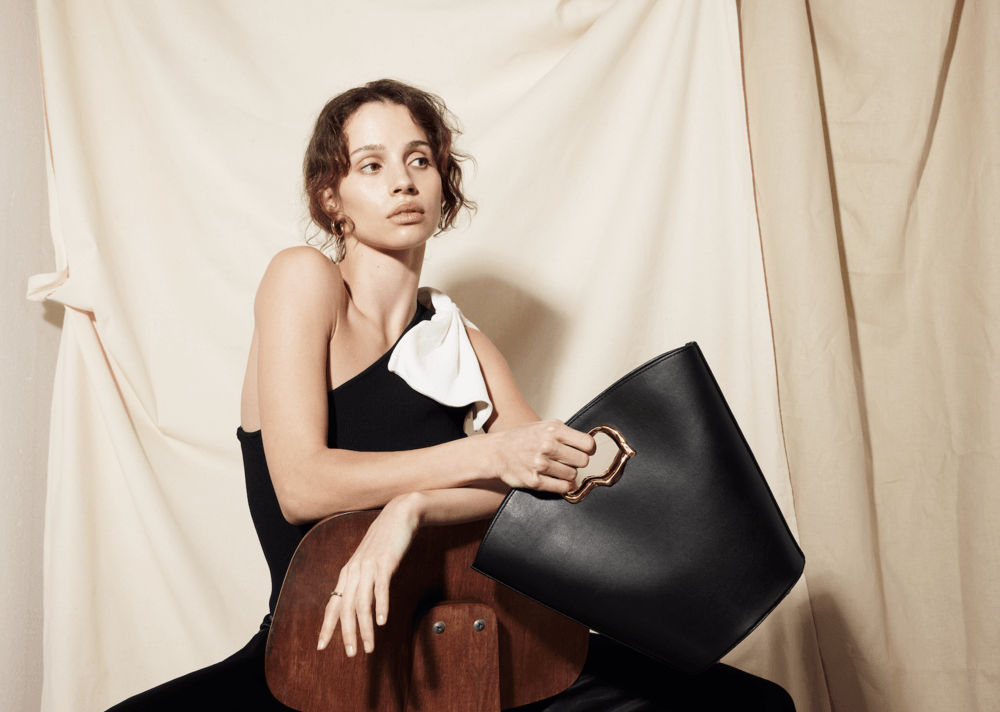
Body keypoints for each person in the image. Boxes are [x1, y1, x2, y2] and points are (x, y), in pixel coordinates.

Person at [107, 79, 794, 711]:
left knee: (750, 704)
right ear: (330, 197)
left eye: (419, 161)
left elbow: (541, 491)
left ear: (443, 186)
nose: (402, 182)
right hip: (316, 658)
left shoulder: (460, 341)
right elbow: (303, 486)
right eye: (371, 165)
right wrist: (489, 454)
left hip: (481, 643)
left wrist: (414, 507)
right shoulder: (303, 281)